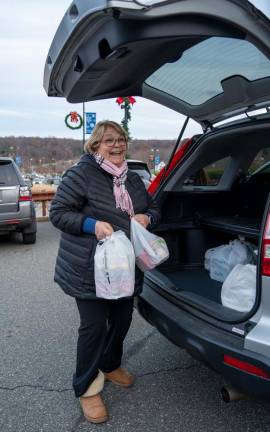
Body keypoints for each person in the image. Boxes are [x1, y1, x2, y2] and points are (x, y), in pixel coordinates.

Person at [50, 120, 160, 424]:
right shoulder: (82, 173)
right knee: (94, 326)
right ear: (95, 145)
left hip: (123, 266)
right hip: (88, 267)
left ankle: (110, 365)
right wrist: (91, 225)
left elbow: (154, 208)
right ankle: (86, 387)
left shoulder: (132, 178)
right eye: (109, 140)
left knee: (123, 320)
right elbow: (58, 212)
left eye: (121, 139)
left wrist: (147, 216)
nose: (117, 144)